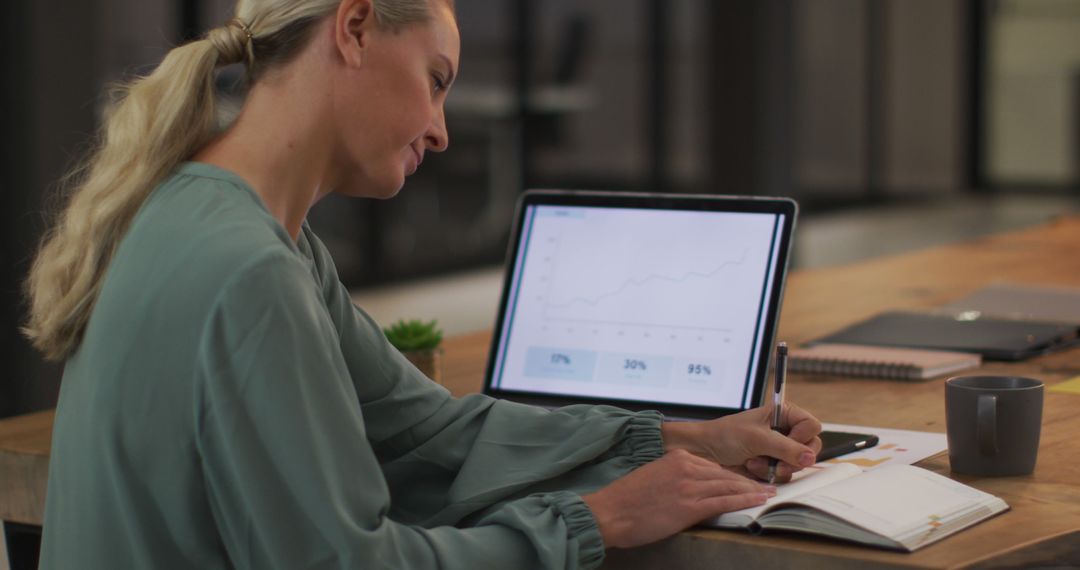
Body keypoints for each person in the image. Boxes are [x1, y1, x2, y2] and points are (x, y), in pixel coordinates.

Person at [23, 0, 822, 567]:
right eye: (436, 79)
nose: (441, 129)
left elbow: (430, 435)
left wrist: (675, 440)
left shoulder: (221, 223)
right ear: (357, 27)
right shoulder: (252, 272)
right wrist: (595, 522)